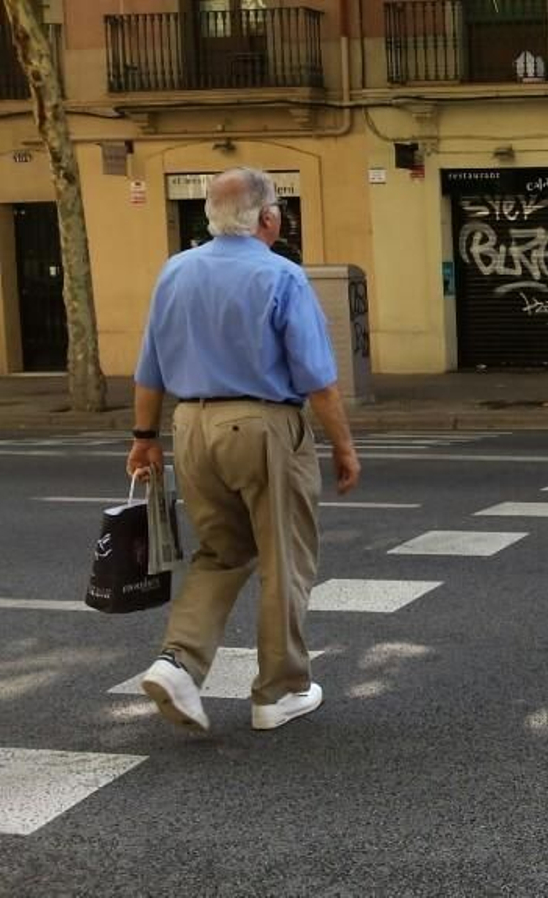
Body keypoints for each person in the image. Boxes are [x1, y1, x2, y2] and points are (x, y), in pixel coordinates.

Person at [125, 167, 360, 733]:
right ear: (268, 217)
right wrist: (344, 449)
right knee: (284, 560)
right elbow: (318, 381)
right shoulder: (282, 275)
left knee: (220, 552)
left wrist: (144, 438)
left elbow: (149, 368)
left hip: (191, 426)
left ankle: (178, 661)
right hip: (263, 426)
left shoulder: (174, 272)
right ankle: (278, 691)